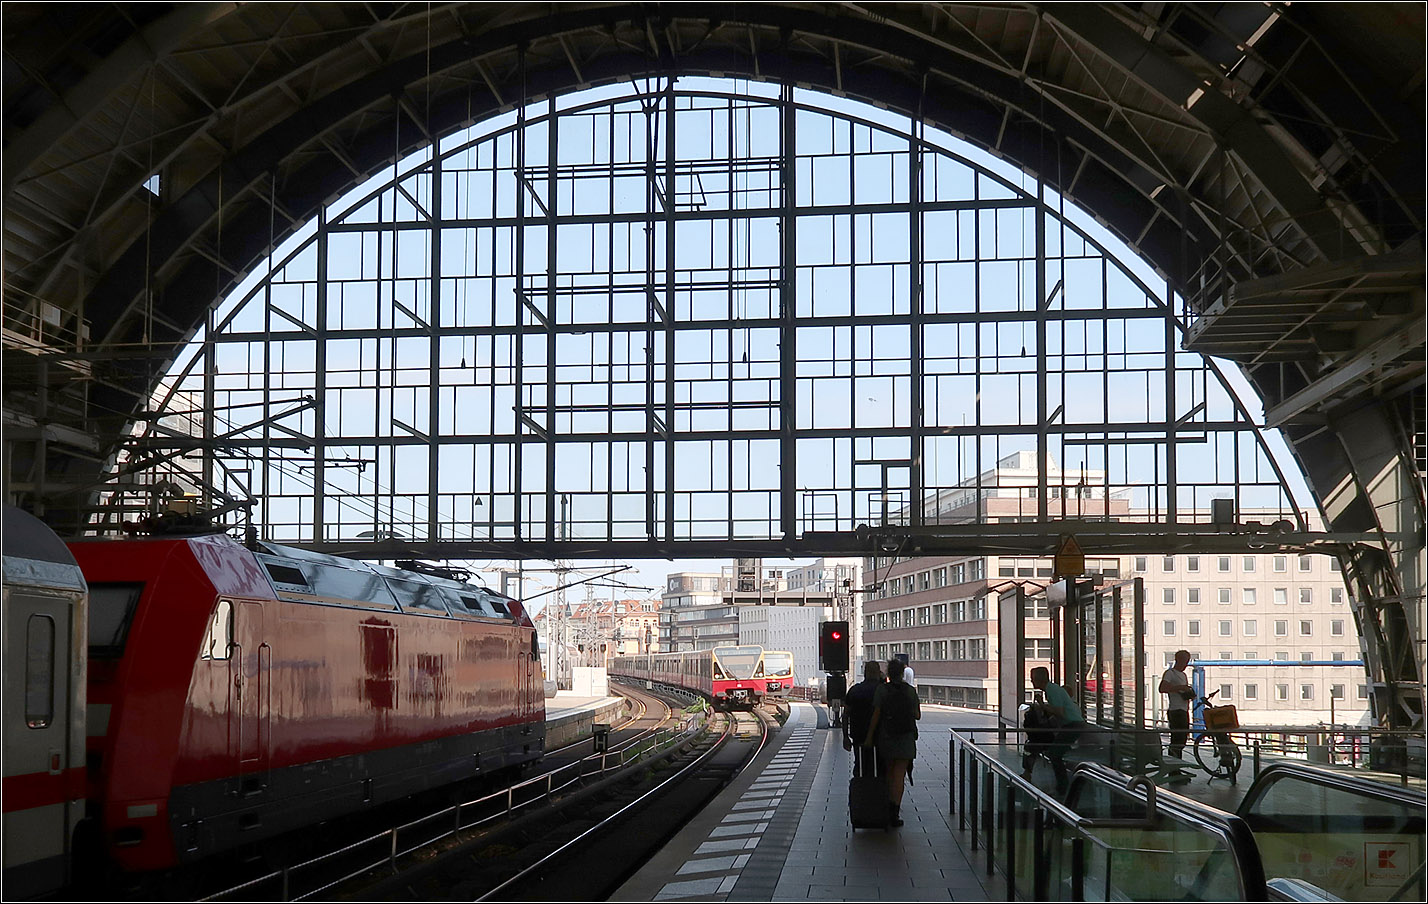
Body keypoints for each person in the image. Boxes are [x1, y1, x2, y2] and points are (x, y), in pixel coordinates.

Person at [864, 658, 920, 827]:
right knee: (899, 776)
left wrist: (869, 737)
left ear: (888, 673)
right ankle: (895, 812)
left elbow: (876, 715)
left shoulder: (882, 690)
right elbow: (917, 715)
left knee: (888, 773)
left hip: (887, 737)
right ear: (903, 673)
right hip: (905, 739)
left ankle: (886, 808)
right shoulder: (910, 691)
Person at [1023, 667, 1085, 793]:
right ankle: (1060, 784)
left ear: (1038, 679)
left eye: (1032, 679)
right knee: (1048, 749)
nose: (1031, 681)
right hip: (1069, 726)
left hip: (1073, 725)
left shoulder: (1052, 690)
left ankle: (1063, 786)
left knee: (1054, 754)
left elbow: (1059, 712)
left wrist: (1041, 705)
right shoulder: (1050, 689)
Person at [842, 661, 884, 777]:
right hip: (880, 736)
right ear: (878, 673)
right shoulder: (883, 690)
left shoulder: (854, 690)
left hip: (858, 734)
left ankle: (860, 788)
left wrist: (845, 736)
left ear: (865, 673)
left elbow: (845, 715)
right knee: (880, 767)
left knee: (860, 764)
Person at [1159, 650, 1196, 758]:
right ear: (1178, 660)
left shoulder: (1183, 675)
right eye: (1184, 661)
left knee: (1181, 739)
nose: (1185, 664)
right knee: (1177, 740)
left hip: (1183, 709)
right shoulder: (1170, 673)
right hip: (1176, 710)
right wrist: (1180, 688)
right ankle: (1173, 763)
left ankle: (1176, 762)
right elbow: (1162, 688)